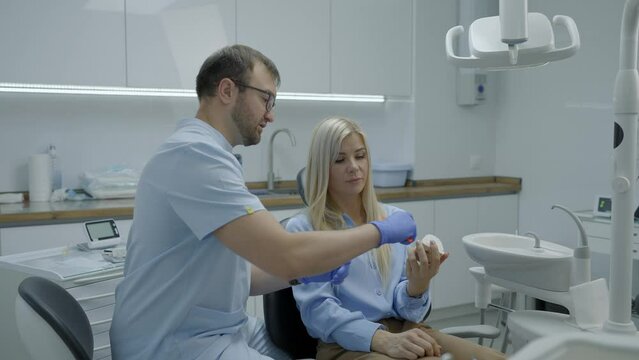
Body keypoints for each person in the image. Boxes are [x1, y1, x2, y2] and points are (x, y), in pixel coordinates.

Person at [109, 45, 417, 360]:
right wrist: (380, 231)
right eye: (266, 98)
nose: (270, 114)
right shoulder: (194, 156)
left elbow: (248, 276)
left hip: (222, 327)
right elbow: (285, 254)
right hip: (171, 341)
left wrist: (307, 273)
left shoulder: (212, 155)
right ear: (227, 90)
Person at [286, 117, 506, 360]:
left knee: (491, 357)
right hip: (346, 345)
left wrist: (417, 286)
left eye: (360, 156)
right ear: (321, 167)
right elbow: (319, 313)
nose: (354, 166)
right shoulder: (303, 229)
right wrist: (382, 339)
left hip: (406, 330)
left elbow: (409, 313)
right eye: (339, 159)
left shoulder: (394, 220)